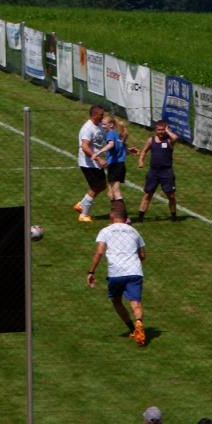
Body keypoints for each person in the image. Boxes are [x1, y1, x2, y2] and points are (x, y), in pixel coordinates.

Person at [86, 200, 146, 346]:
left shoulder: (105, 231)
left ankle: (132, 329)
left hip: (115, 273)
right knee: (135, 302)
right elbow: (143, 255)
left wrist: (91, 271)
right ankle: (139, 323)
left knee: (116, 301)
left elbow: (99, 252)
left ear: (112, 215)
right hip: (134, 271)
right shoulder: (134, 231)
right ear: (125, 217)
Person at [136, 119, 179, 222]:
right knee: (148, 194)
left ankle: (173, 216)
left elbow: (175, 138)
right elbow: (144, 151)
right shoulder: (151, 140)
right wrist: (141, 160)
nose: (161, 132)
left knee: (171, 196)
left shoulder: (169, 141)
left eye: (162, 129)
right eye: (159, 130)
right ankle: (140, 217)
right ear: (155, 130)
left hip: (166, 172)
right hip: (153, 172)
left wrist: (168, 131)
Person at [73, 105, 107, 223]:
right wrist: (98, 159)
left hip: (95, 162)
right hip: (88, 163)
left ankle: (81, 204)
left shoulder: (99, 125)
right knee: (95, 186)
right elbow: (85, 147)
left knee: (102, 185)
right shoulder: (87, 128)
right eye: (101, 114)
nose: (103, 116)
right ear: (94, 115)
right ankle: (84, 215)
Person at [94, 115, 138, 204]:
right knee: (111, 192)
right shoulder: (117, 136)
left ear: (111, 125)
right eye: (102, 124)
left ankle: (121, 212)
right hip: (119, 165)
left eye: (104, 124)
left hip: (115, 165)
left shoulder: (110, 134)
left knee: (116, 191)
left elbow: (111, 145)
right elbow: (122, 151)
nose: (102, 126)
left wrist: (99, 152)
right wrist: (130, 151)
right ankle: (115, 210)